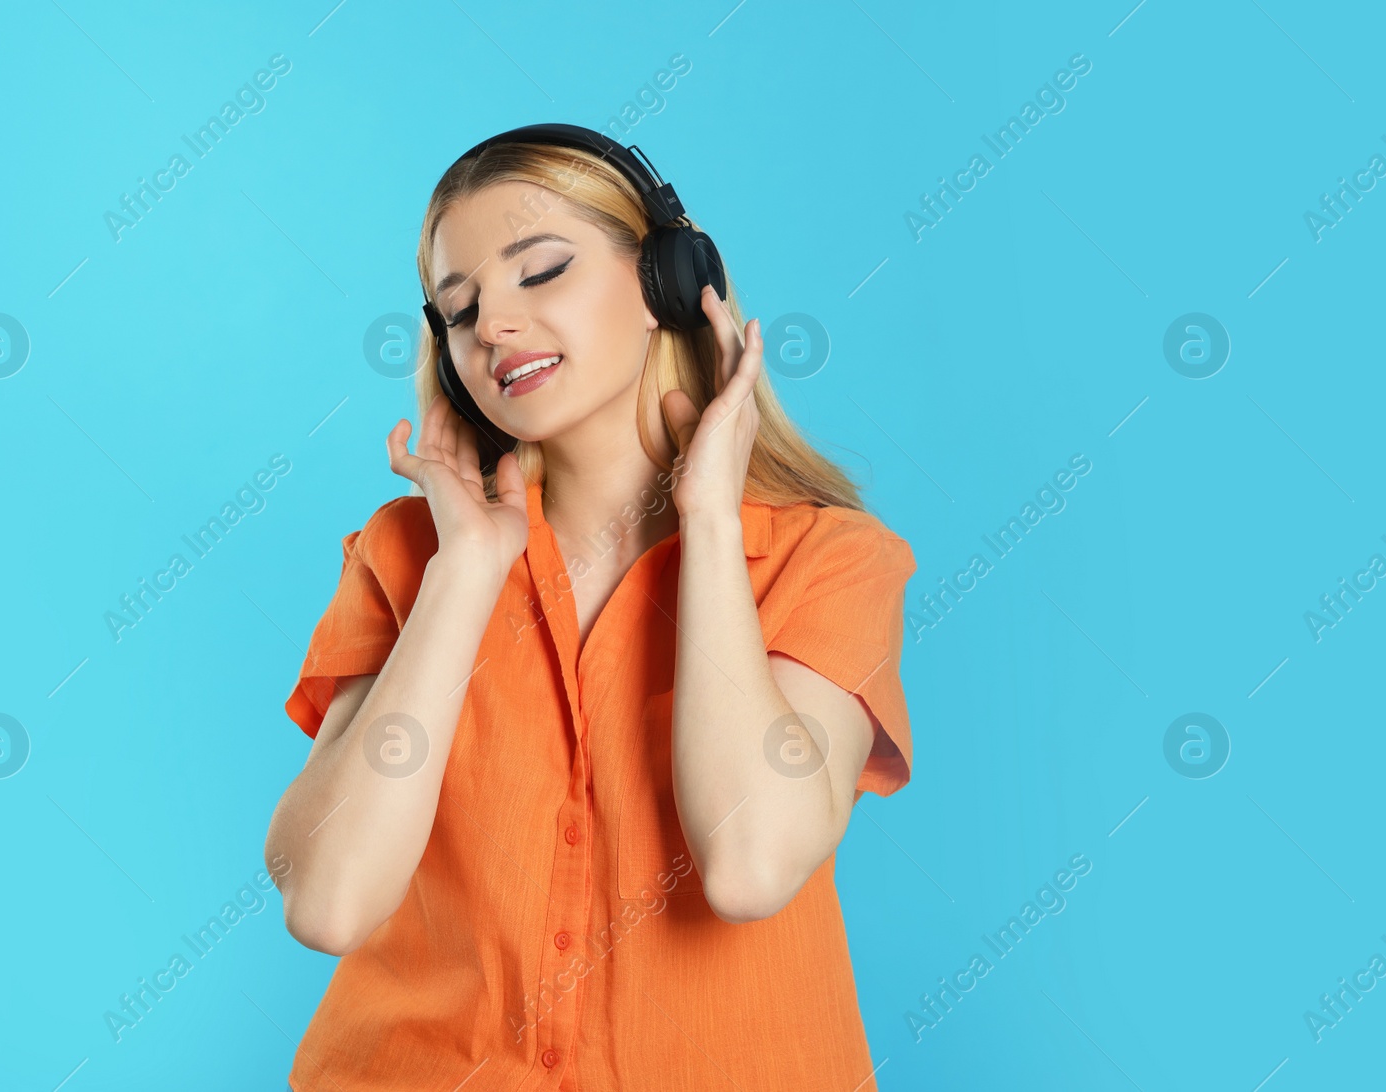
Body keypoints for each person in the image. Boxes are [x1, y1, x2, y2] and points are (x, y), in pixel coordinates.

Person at [264, 124, 917, 1091]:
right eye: (461, 308)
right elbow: (329, 903)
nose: (492, 324)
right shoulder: (408, 555)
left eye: (542, 272)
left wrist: (705, 523)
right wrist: (467, 570)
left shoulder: (828, 561)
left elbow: (749, 865)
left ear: (664, 286)